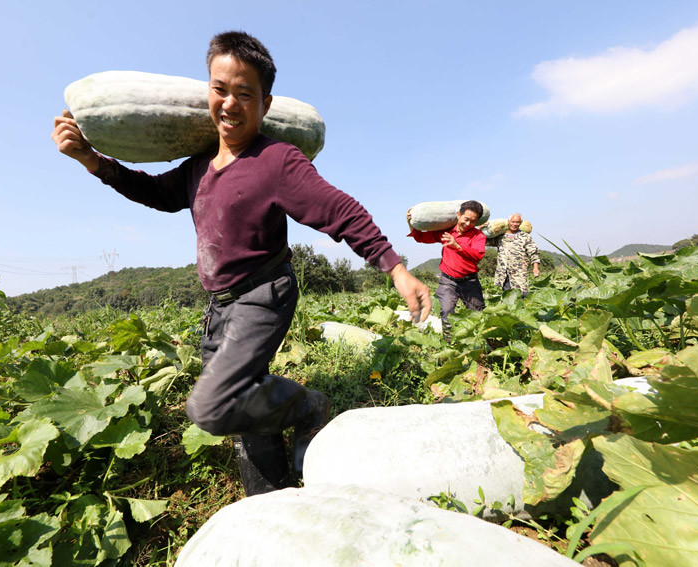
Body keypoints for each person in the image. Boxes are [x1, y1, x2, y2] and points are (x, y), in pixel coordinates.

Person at [52, 31, 431, 496]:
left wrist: (394, 267)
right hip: (220, 305)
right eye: (220, 89)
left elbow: (338, 210)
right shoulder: (198, 166)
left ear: (265, 104)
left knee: (213, 406)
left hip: (262, 295)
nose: (229, 104)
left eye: (244, 94)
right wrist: (92, 160)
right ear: (206, 91)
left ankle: (310, 406)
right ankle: (270, 498)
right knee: (245, 408)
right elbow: (156, 194)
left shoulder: (277, 161)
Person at [406, 201, 485, 343]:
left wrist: (457, 245)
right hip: (448, 281)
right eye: (466, 219)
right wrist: (410, 222)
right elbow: (420, 237)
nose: (468, 224)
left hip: (470, 281)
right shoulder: (446, 232)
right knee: (446, 311)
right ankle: (450, 343)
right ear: (459, 215)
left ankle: (477, 343)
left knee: (477, 313)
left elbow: (477, 255)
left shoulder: (478, 236)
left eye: (473, 221)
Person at [490, 213, 540, 297]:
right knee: (508, 297)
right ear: (508, 222)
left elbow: (534, 252)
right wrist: (481, 227)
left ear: (520, 223)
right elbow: (483, 240)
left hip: (519, 273)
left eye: (517, 222)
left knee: (522, 296)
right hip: (504, 273)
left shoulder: (525, 237)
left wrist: (535, 267)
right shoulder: (501, 237)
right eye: (513, 222)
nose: (515, 224)